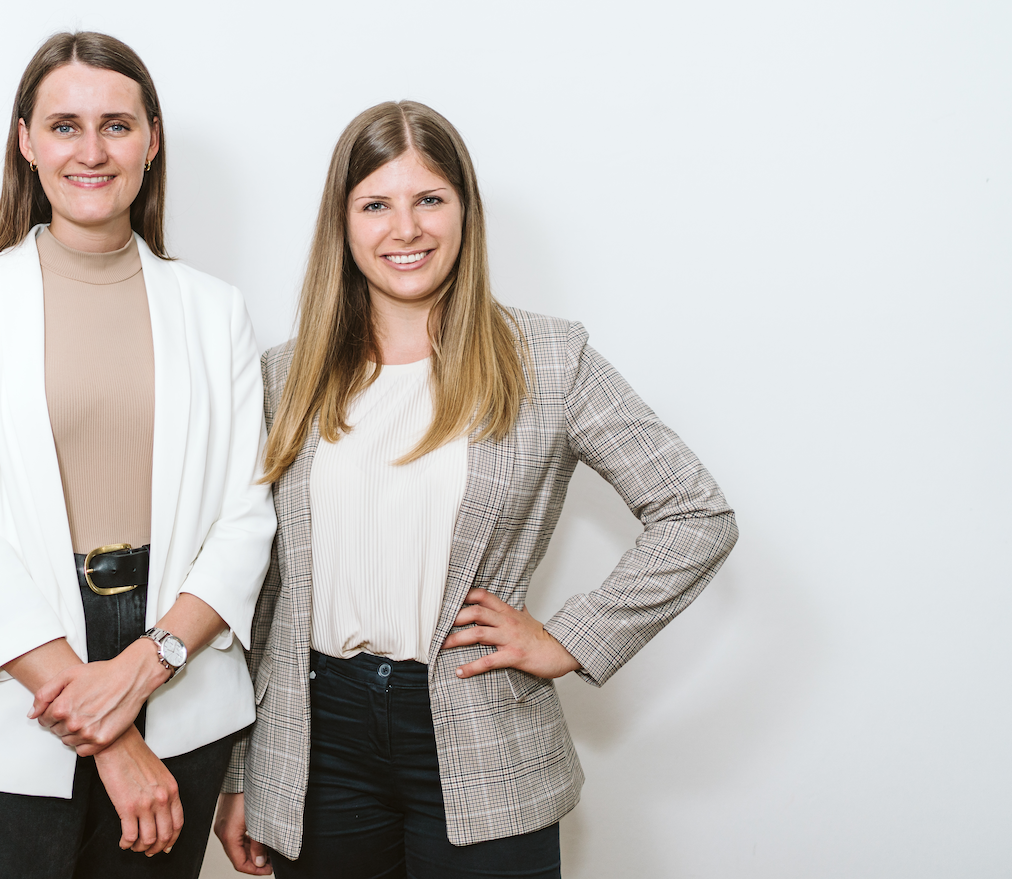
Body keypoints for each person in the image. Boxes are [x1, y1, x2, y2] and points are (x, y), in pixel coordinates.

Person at [213, 101, 738, 878]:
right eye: (376, 205)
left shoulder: (549, 359)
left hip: (479, 726)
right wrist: (244, 772)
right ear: (343, 223)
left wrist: (570, 638)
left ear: (465, 211)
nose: (406, 229)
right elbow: (261, 587)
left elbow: (696, 513)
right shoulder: (284, 376)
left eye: (429, 199)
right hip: (318, 743)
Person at [0, 31, 275, 879]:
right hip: (17, 676)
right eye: (65, 126)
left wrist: (149, 663)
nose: (92, 150)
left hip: (176, 668)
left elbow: (245, 520)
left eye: (116, 125)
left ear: (152, 141)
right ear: (26, 142)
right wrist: (109, 731)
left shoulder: (216, 311)